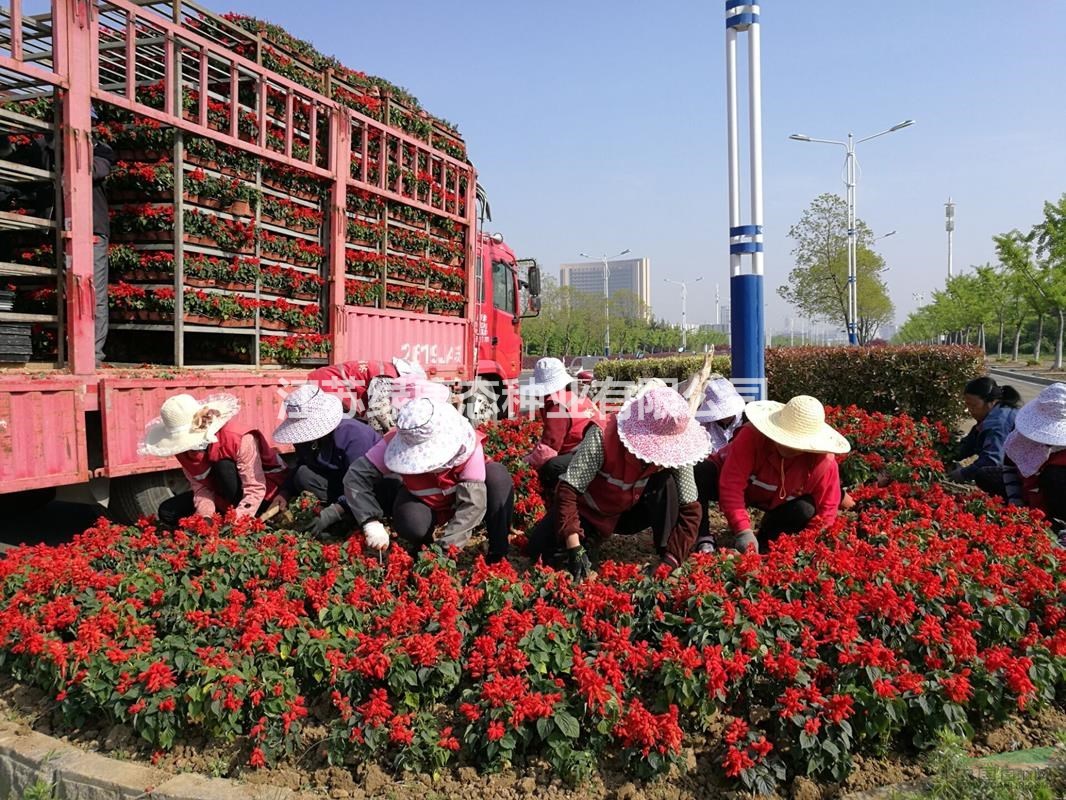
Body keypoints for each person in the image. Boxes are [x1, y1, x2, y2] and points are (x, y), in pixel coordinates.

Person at [526, 386, 712, 578]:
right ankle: (590, 537)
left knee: (665, 482)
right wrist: (574, 547)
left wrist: (671, 562)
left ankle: (665, 548)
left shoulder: (677, 447)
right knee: (540, 550)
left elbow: (690, 509)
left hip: (633, 511)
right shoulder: (603, 434)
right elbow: (568, 490)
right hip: (591, 510)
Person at [342, 397, 514, 562]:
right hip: (425, 500)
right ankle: (422, 547)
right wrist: (370, 521)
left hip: (465, 496)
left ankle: (497, 552)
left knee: (497, 477)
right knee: (410, 521)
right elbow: (356, 476)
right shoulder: (395, 441)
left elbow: (472, 505)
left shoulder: (466, 444)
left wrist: (446, 550)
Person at [714, 395, 851, 554]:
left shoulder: (824, 463)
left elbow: (826, 511)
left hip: (780, 504)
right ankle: (702, 537)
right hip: (747, 489)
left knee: (805, 508)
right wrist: (743, 530)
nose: (788, 447)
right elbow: (731, 485)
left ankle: (766, 538)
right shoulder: (751, 437)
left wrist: (808, 543)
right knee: (703, 474)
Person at [139, 393, 287, 527]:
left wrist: (238, 521)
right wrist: (206, 518)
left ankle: (245, 515)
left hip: (264, 491)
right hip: (221, 493)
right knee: (167, 511)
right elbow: (201, 487)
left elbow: (255, 487)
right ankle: (223, 517)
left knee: (223, 466)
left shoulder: (237, 437)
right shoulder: (184, 452)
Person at [269, 384, 382, 536]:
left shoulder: (354, 435)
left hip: (369, 488)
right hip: (338, 483)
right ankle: (340, 511)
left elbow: (361, 484)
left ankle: (354, 518)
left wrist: (333, 512)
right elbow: (302, 463)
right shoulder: (305, 440)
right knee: (303, 474)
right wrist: (284, 493)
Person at [521, 357, 603, 492]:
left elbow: (548, 449)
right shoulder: (573, 392)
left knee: (552, 467)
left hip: (592, 451)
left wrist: (525, 462)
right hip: (596, 446)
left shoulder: (557, 406)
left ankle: (556, 497)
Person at [690, 377, 747, 554]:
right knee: (698, 472)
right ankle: (703, 534)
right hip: (716, 475)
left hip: (745, 477)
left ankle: (745, 529)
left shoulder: (747, 422)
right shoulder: (703, 425)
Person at [1002, 383, 1066, 535]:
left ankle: (1059, 524)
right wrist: (1015, 502)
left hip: (1057, 494)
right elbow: (1009, 467)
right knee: (985, 475)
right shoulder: (1019, 438)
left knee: (1054, 476)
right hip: (1028, 489)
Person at [306, 357, 425, 433]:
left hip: (323, 383)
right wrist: (392, 433)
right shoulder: (387, 376)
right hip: (324, 386)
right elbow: (377, 410)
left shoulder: (386, 369)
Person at [949, 377, 1021, 492]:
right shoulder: (992, 414)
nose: (969, 410)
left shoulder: (997, 424)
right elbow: (969, 444)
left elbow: (992, 460)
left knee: (984, 475)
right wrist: (949, 455)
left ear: (991, 402)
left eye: (974, 406)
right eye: (967, 405)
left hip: (1023, 473)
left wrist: (963, 474)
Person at [90, 105, 116, 366]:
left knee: (94, 293)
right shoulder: (48, 146)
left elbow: (96, 170)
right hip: (58, 224)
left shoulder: (101, 150)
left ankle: (93, 354)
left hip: (93, 228)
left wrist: (76, 142)